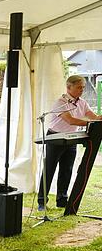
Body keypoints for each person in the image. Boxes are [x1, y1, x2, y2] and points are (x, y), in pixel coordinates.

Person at [37, 75, 102, 211]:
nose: (82, 90)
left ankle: (62, 200)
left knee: (67, 170)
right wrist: (91, 123)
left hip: (71, 139)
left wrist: (98, 119)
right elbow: (71, 120)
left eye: (83, 87)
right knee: (49, 170)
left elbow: (94, 117)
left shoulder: (82, 103)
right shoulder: (60, 102)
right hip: (55, 137)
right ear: (68, 87)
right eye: (79, 87)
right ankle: (42, 202)